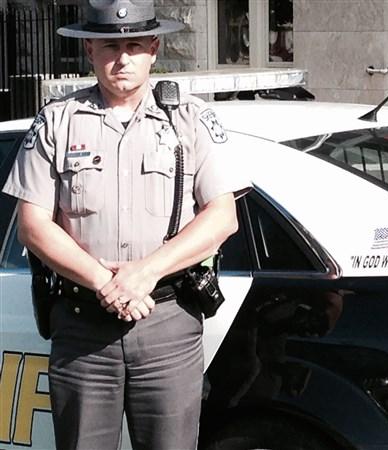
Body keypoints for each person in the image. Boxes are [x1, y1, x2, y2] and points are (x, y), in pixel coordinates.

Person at [2, 1, 250, 449]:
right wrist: (104, 282)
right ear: (90, 50)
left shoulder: (189, 119)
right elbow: (33, 226)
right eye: (110, 46)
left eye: (134, 45)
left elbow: (222, 215)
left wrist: (144, 273)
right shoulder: (57, 121)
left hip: (167, 324)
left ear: (154, 49)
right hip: (82, 327)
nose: (122, 58)